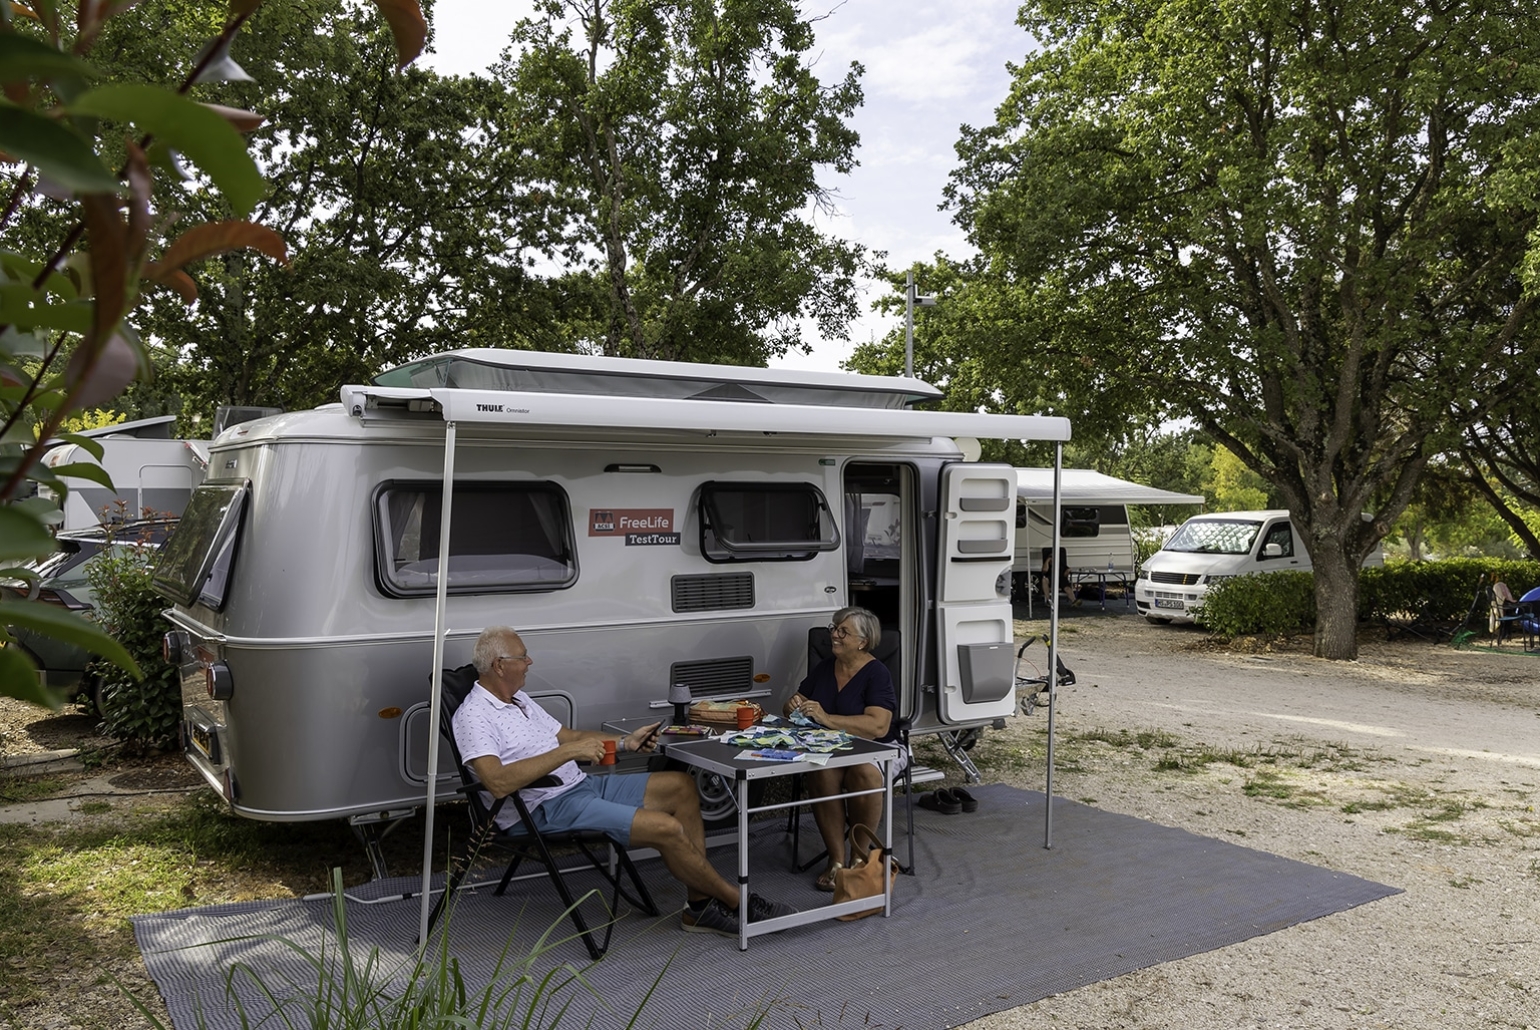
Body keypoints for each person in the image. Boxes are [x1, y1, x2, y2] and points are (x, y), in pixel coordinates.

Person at [453, 626, 794, 937]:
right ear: (499, 665)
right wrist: (569, 752)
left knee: (680, 785)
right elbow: (497, 782)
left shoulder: (519, 700)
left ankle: (700, 907)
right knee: (666, 828)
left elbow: (568, 735)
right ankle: (739, 901)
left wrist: (626, 743)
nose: (530, 661)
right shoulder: (473, 715)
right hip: (542, 806)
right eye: (522, 656)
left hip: (578, 786)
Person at [782, 606, 905, 891]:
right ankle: (836, 859)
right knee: (820, 771)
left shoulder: (877, 673)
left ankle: (858, 858)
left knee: (864, 773)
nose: (833, 635)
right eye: (833, 628)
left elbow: (878, 727)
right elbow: (796, 702)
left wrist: (827, 719)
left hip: (879, 749)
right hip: (834, 749)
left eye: (842, 632)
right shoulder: (825, 667)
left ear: (862, 641)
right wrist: (791, 705)